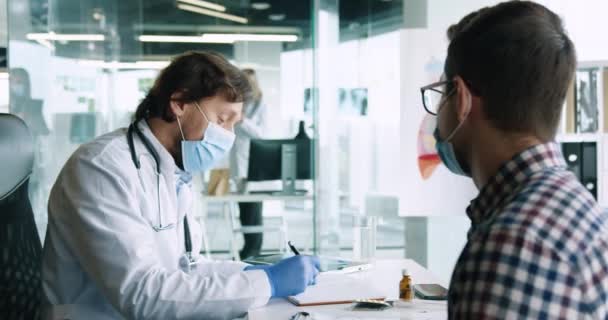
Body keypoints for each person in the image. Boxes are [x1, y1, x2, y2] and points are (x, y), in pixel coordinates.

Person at [42, 51, 320, 320]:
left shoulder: (172, 171)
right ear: (179, 104)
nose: (227, 135)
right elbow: (142, 294)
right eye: (221, 120)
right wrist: (266, 284)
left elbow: (187, 268)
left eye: (234, 124)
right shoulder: (102, 168)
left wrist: (251, 271)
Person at [422, 2, 608, 318]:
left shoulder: (511, 246)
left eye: (441, 94)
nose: (437, 115)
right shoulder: (583, 212)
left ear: (462, 98)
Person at [230, 68, 266, 260]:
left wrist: (242, 120)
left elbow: (260, 134)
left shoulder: (260, 105)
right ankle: (247, 247)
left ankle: (254, 248)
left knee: (253, 209)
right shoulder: (238, 103)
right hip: (238, 162)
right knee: (243, 209)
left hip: (253, 162)